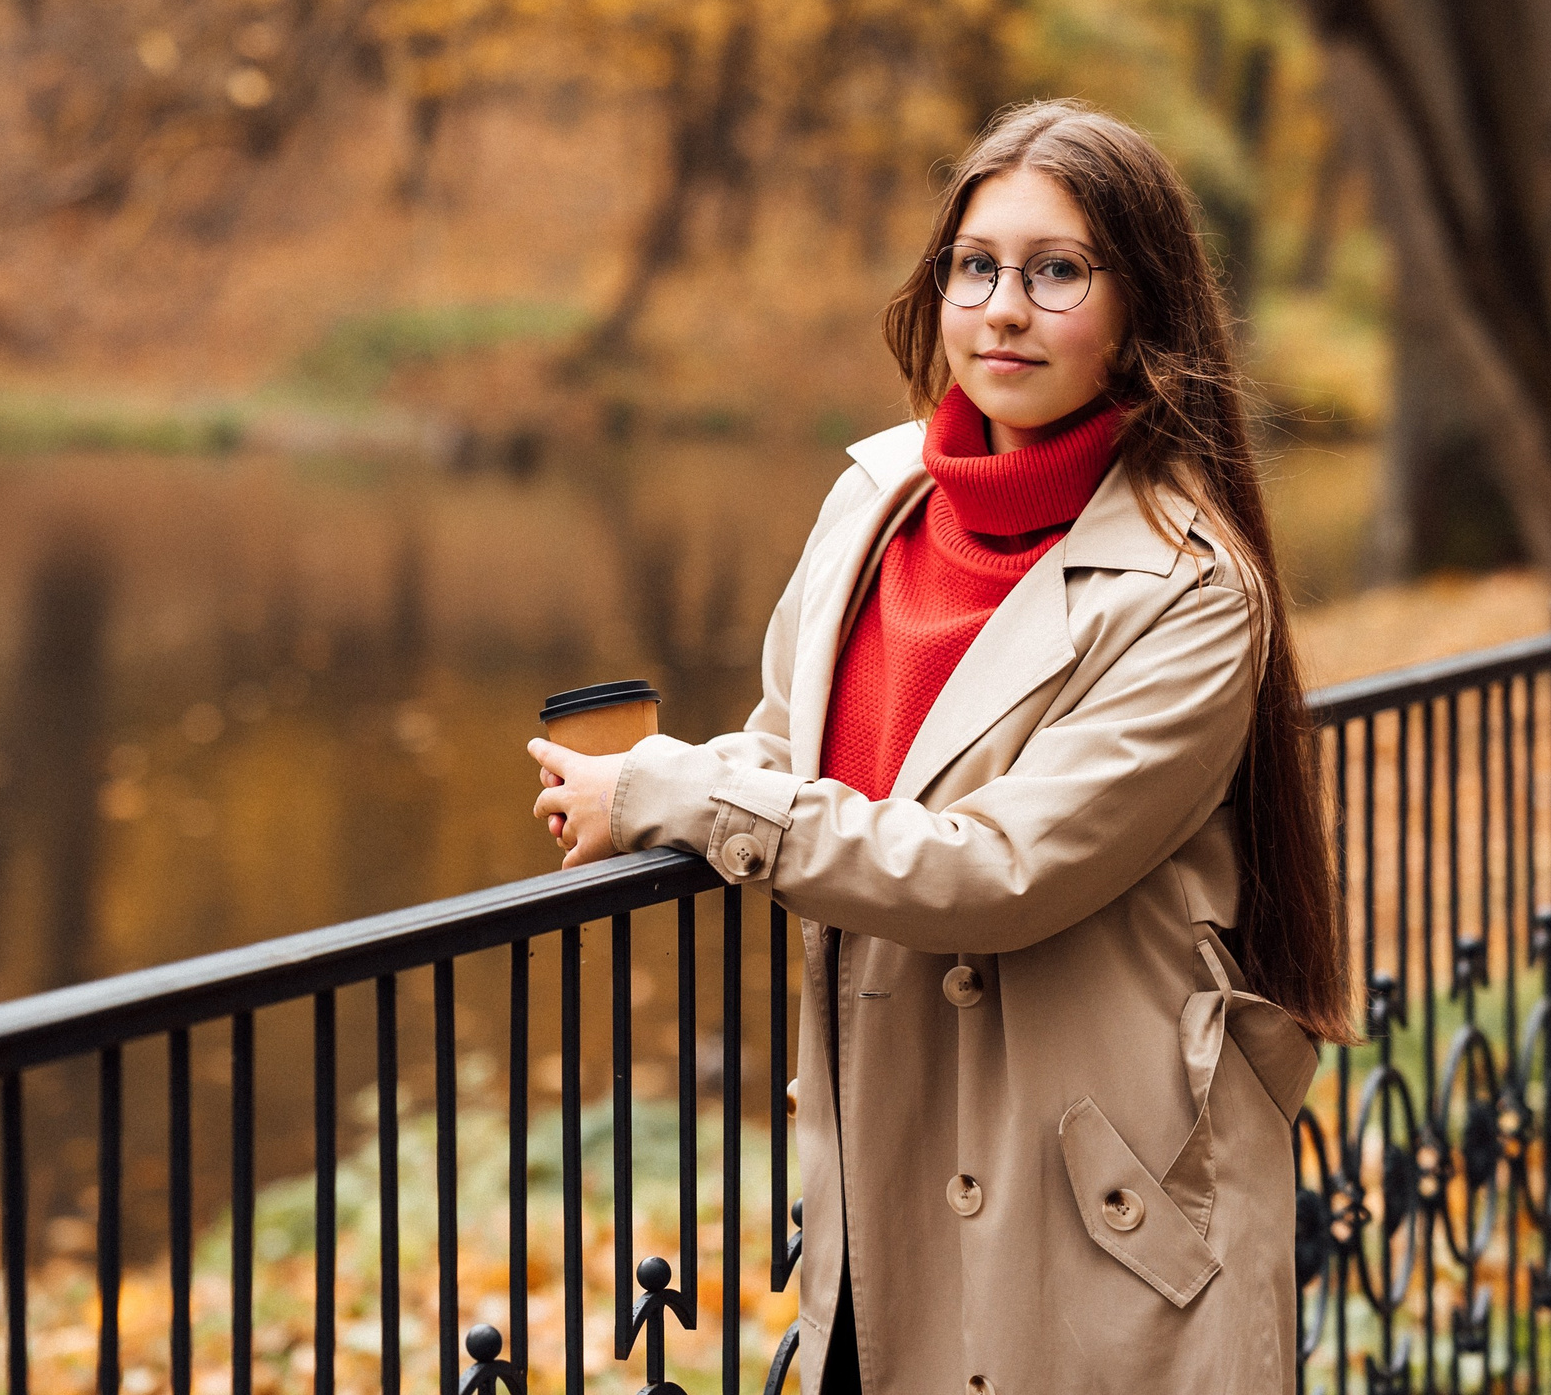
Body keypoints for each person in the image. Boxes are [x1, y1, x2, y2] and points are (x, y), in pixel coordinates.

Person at [529, 99, 1353, 1393]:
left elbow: (996, 875)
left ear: (1143, 309)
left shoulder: (1190, 587)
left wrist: (679, 794)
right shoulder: (871, 502)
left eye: (1056, 271)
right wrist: (656, 789)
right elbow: (779, 754)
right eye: (976, 267)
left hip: (1092, 1216)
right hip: (879, 1183)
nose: (1003, 309)